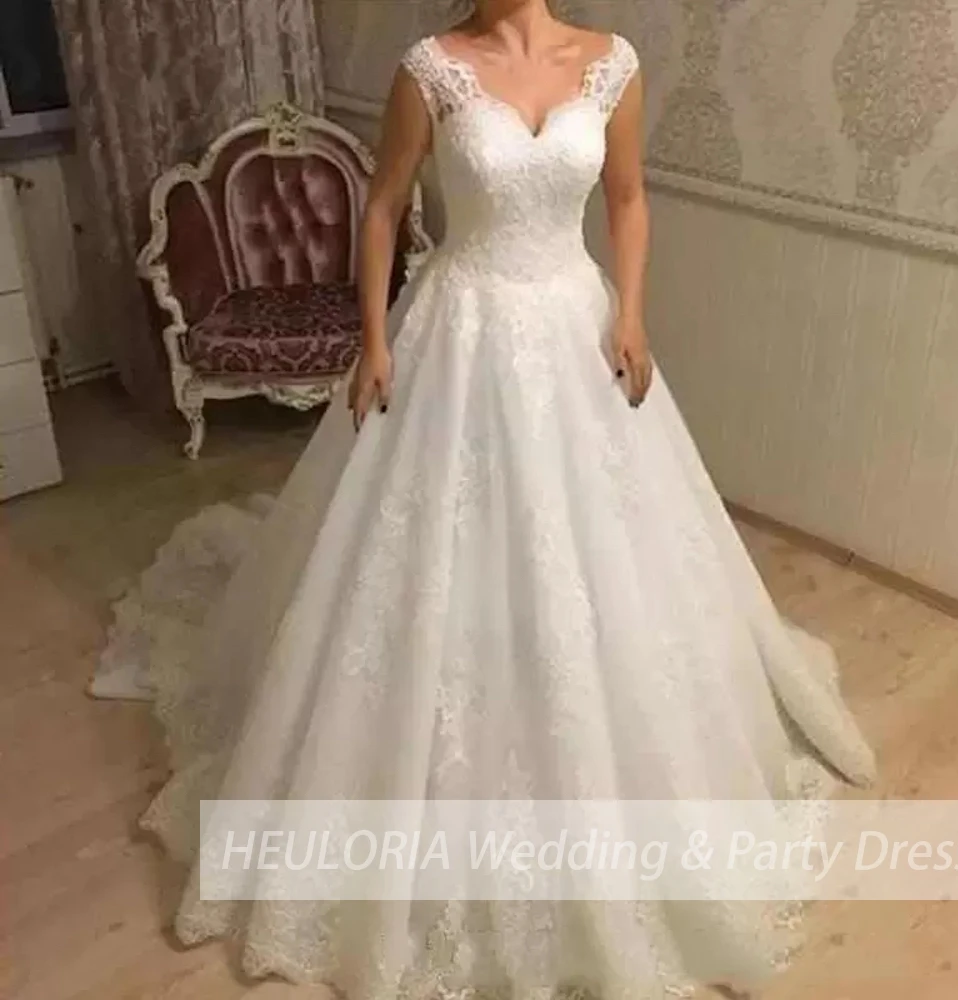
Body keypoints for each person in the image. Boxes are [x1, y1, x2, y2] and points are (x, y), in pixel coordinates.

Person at [115, 0, 876, 996]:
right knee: (431, 556)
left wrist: (632, 314)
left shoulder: (612, 64)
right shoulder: (429, 68)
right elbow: (383, 207)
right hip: (458, 331)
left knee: (606, 562)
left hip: (575, 330)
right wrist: (373, 340)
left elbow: (629, 199)